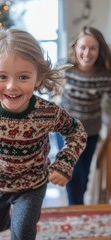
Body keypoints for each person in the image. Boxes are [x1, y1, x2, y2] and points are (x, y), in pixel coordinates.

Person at [0, 28, 87, 240]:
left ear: (38, 78)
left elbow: (77, 132)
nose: (12, 86)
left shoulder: (47, 112)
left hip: (33, 185)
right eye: (2, 77)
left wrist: (64, 163)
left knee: (22, 233)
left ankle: (23, 226)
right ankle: (16, 224)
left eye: (23, 77)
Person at [59, 26, 111, 205]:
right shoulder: (65, 69)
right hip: (66, 131)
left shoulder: (106, 76)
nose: (87, 53)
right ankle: (76, 208)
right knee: (71, 172)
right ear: (75, 47)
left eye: (93, 48)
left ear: (100, 50)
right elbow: (51, 91)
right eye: (83, 47)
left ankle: (78, 206)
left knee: (84, 173)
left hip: (91, 132)